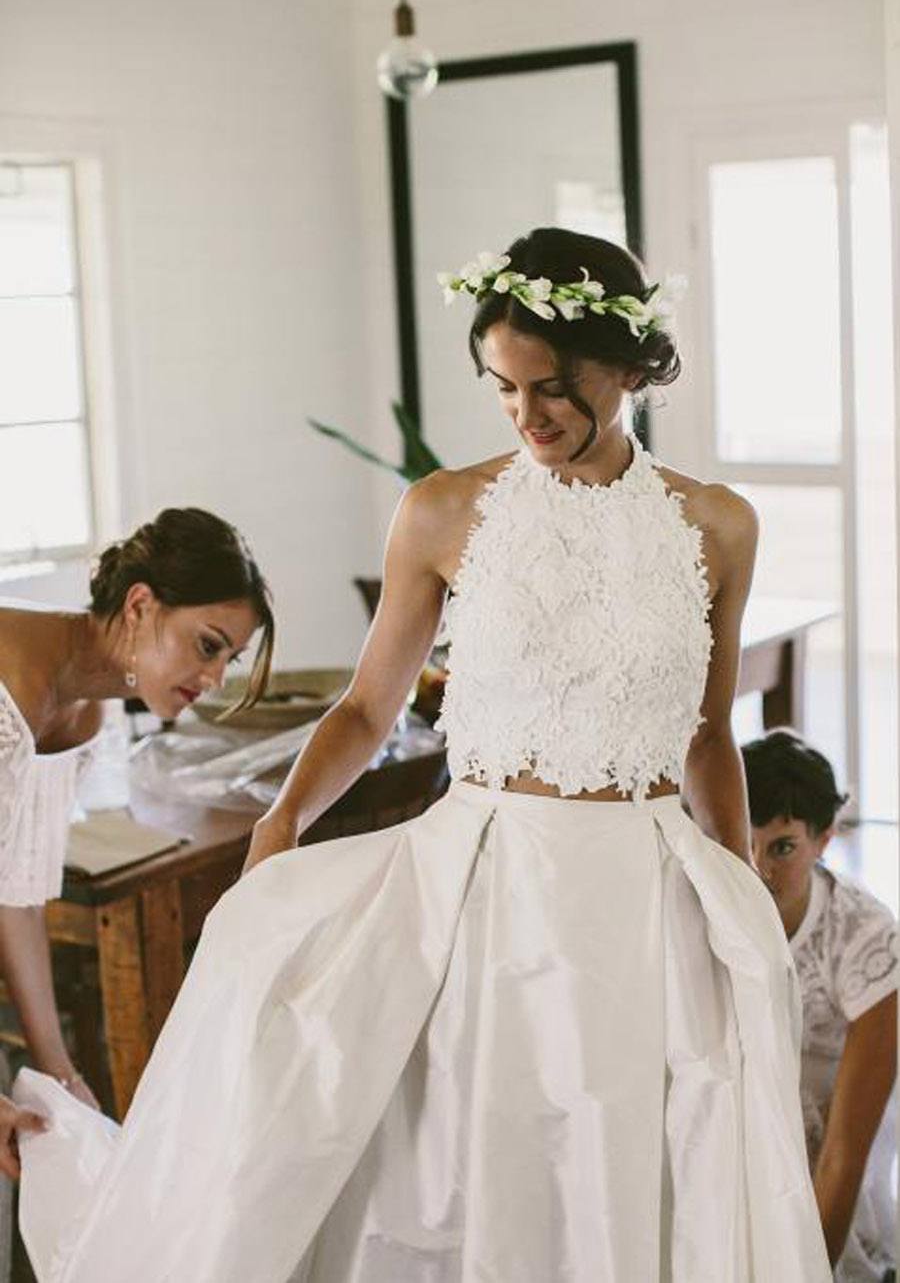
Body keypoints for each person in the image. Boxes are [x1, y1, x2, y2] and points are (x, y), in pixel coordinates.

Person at [17, 230, 830, 1281]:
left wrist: (737, 879)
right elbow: (365, 706)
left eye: (551, 388)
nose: (526, 416)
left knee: (641, 1164)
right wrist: (280, 825)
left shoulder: (719, 526)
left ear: (628, 368)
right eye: (502, 388)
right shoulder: (446, 509)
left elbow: (711, 728)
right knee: (471, 1159)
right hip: (490, 883)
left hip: (644, 889)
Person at [0, 507, 273, 1179]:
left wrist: (59, 1071)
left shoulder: (86, 712)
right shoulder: (9, 676)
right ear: (141, 604)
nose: (214, 681)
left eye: (229, 660)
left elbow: (16, 892)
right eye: (207, 645)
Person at [744, 729, 898, 1282]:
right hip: (748, 1099)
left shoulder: (865, 938)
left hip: (835, 1118)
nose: (758, 869)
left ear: (824, 840)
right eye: (746, 841)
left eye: (782, 847)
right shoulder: (713, 905)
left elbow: (843, 1155)